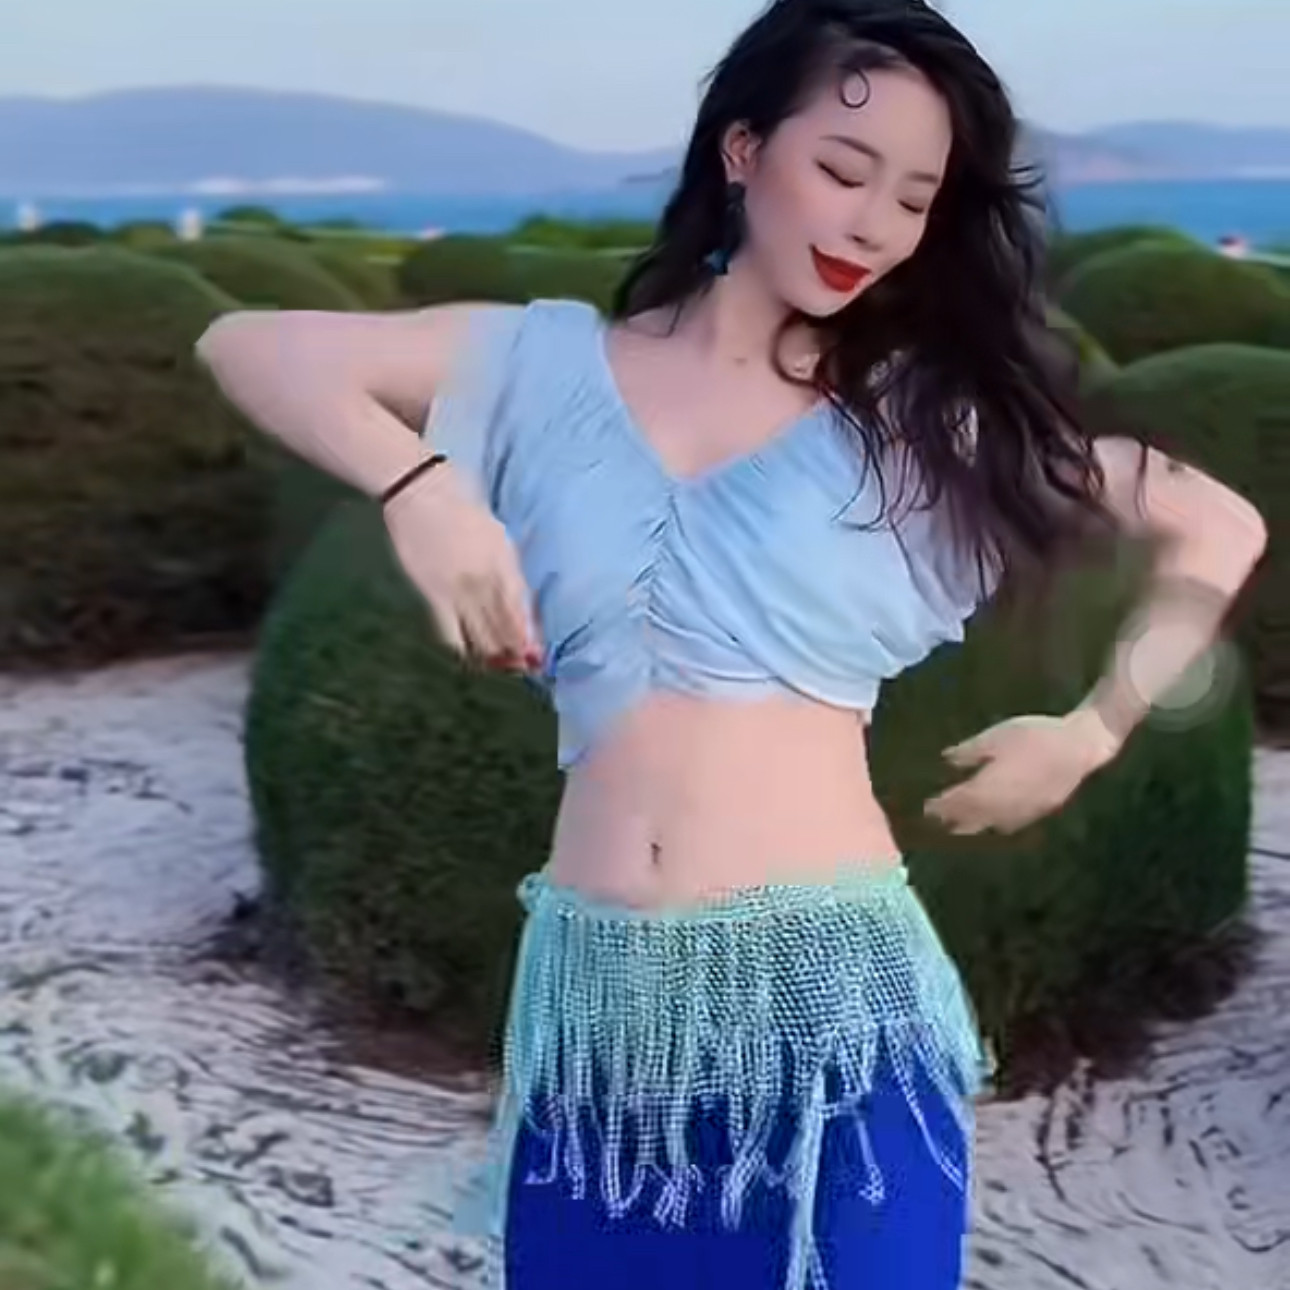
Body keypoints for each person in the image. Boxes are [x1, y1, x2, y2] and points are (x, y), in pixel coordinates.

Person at [196, 2, 1267, 1286]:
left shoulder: (923, 424)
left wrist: (1092, 730)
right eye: (844, 168)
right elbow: (249, 344)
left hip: (833, 1011)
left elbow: (1216, 523)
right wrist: (423, 491)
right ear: (745, 150)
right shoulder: (542, 363)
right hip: (600, 1016)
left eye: (914, 198)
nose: (871, 224)